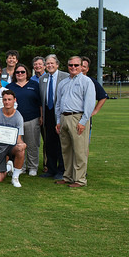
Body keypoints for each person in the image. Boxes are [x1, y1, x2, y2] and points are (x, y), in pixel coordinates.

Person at [54, 56, 96, 188]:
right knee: (66, 150)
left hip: (78, 117)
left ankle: (80, 179)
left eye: (76, 65)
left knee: (79, 150)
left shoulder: (86, 81)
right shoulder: (63, 83)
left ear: (81, 66)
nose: (73, 67)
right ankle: (68, 176)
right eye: (70, 65)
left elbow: (89, 103)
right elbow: (58, 103)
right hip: (64, 117)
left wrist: (83, 122)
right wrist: (58, 120)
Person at [7, 63, 42, 176]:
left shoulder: (34, 85)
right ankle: (20, 166)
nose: (20, 74)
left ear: (27, 73)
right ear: (15, 74)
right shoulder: (10, 87)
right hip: (15, 121)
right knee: (18, 145)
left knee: (32, 144)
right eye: (17, 72)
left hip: (32, 118)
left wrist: (41, 116)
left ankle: (32, 167)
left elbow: (40, 103)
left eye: (22, 72)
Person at [0, 90, 26, 187]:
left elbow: (18, 137)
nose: (7, 102)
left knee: (21, 150)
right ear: (2, 101)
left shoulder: (18, 117)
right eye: (5, 100)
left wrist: (22, 144)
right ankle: (8, 167)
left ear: (14, 100)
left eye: (9, 99)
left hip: (10, 147)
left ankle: (15, 177)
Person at [38, 54, 68, 179]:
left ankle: (62, 170)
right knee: (49, 143)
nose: (50, 65)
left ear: (57, 64)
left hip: (60, 114)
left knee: (61, 143)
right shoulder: (42, 79)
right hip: (47, 114)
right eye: (47, 63)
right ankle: (51, 169)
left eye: (52, 63)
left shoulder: (65, 77)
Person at [81, 56, 108, 121]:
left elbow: (103, 97)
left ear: (87, 69)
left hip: (84, 117)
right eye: (80, 65)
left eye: (84, 67)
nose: (82, 68)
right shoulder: (68, 81)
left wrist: (94, 111)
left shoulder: (91, 81)